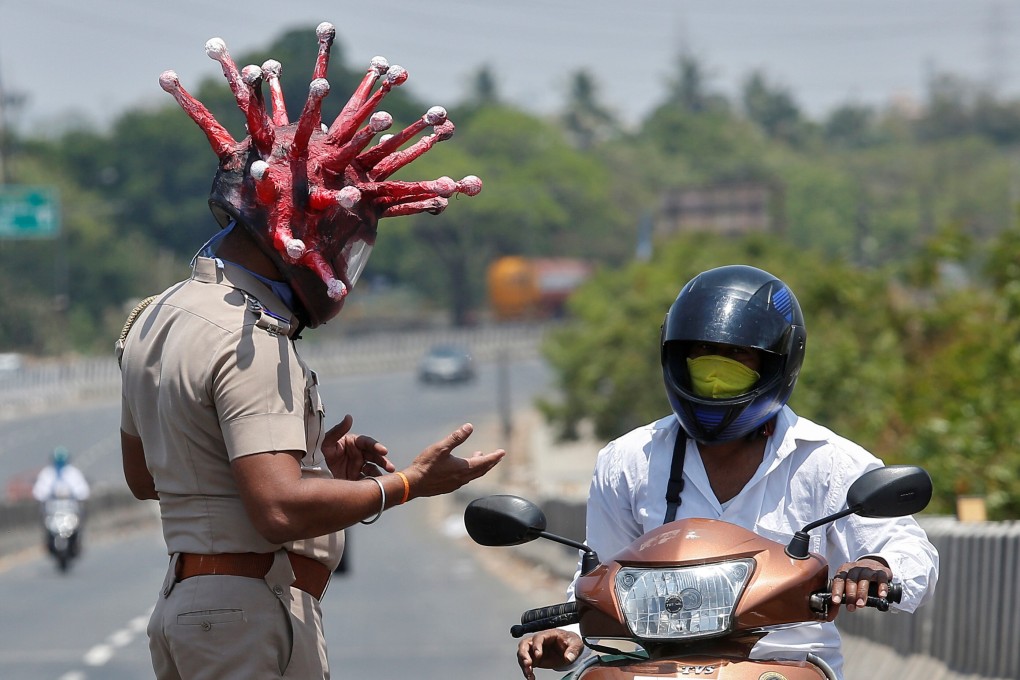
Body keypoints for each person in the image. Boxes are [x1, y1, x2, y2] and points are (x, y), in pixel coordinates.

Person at [117, 24, 503, 680]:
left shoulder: (155, 317)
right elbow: (276, 510)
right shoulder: (250, 336)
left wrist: (313, 471)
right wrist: (407, 484)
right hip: (244, 613)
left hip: (187, 607)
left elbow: (148, 476)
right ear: (301, 230)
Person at [517, 264, 939, 680]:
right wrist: (568, 632)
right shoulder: (628, 459)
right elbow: (598, 576)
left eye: (738, 355)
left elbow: (910, 552)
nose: (717, 370)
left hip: (785, 666)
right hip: (654, 668)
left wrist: (876, 565)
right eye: (702, 353)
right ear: (677, 358)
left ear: (776, 362)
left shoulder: (828, 460)